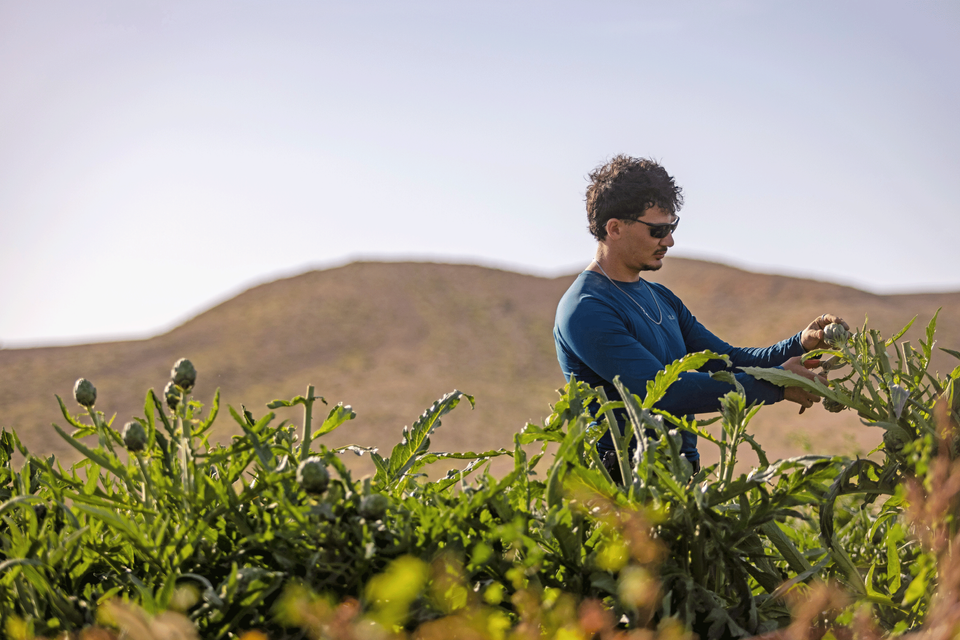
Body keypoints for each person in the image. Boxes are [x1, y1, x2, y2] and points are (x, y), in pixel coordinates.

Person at [553, 155, 848, 474]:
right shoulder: (586, 308)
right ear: (615, 229)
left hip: (681, 477)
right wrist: (776, 385)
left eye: (672, 227)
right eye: (658, 230)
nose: (669, 240)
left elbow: (727, 360)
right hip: (622, 486)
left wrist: (799, 344)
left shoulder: (662, 298)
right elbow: (663, 393)